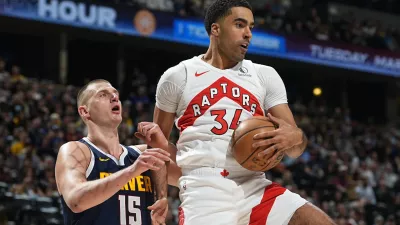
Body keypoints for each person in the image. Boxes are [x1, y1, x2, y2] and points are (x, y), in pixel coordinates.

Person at [150, 0, 337, 224]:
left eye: (251, 27)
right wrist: (160, 195)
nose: (248, 33)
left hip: (254, 184)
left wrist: (296, 137)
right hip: (204, 190)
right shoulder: (178, 76)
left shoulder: (264, 75)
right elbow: (158, 147)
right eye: (240, 25)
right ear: (215, 30)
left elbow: (295, 148)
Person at [55, 79, 172, 225]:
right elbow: (76, 200)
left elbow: (192, 171)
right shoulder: (77, 150)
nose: (114, 97)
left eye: (115, 93)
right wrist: (132, 171)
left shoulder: (141, 154)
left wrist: (163, 144)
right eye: (103, 95)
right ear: (85, 111)